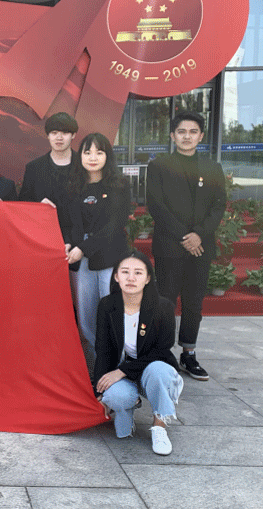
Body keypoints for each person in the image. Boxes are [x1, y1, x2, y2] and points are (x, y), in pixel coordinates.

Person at [146, 111, 226, 381]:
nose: (187, 136)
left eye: (193, 132)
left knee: (194, 302)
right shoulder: (159, 166)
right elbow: (156, 205)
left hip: (201, 247)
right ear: (172, 136)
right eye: (181, 132)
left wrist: (198, 235)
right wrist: (185, 236)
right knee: (166, 301)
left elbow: (218, 206)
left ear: (201, 136)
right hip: (170, 245)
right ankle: (163, 352)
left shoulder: (212, 168)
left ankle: (189, 353)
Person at [94, 250, 184, 456]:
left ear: (148, 278)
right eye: (125, 272)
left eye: (138, 273)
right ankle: (131, 402)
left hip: (153, 367)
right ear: (116, 276)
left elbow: (162, 350)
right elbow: (103, 349)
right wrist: (99, 391)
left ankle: (159, 427)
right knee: (114, 396)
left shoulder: (163, 307)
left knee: (159, 371)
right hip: (125, 370)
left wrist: (122, 371)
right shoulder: (107, 305)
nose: (131, 278)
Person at [64, 132, 131, 362]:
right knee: (86, 315)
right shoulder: (73, 186)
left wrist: (84, 247)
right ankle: (97, 363)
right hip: (80, 259)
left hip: (109, 256)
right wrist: (69, 243)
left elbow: (114, 225)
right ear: (80, 156)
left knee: (111, 310)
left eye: (99, 152)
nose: (93, 157)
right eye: (87, 152)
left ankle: (117, 364)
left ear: (107, 156)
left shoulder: (119, 185)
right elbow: (68, 222)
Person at [18, 111, 79, 236]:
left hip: (79, 237)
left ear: (73, 135)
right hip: (44, 234)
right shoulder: (34, 168)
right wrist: (38, 206)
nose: (59, 138)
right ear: (48, 135)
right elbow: (24, 204)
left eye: (65, 133)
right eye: (54, 133)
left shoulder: (84, 165)